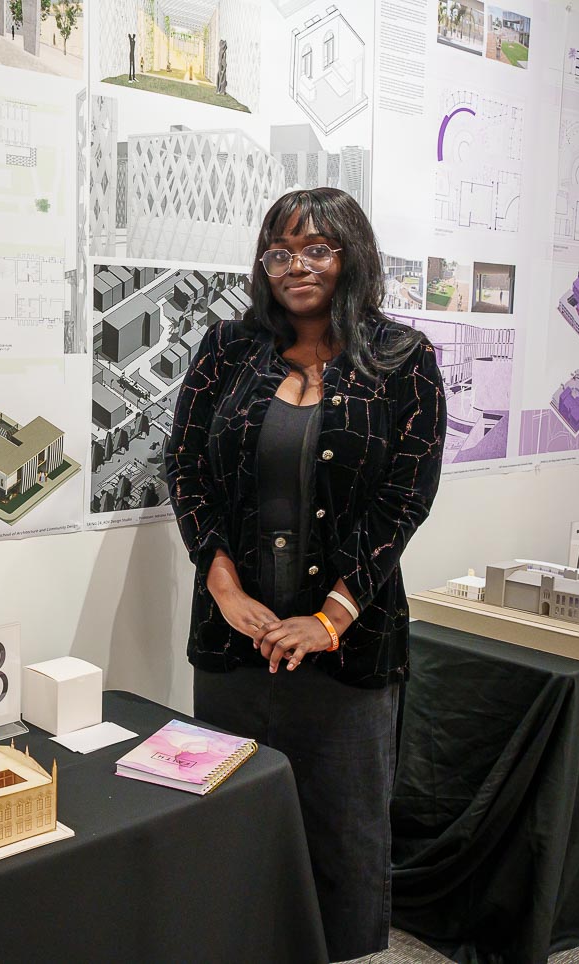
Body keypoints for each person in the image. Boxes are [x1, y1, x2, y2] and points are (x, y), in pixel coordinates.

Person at [163, 187, 446, 962]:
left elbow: (404, 499)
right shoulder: (226, 348)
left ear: (351, 254)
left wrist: (329, 618)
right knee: (230, 815)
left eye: (317, 248)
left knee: (344, 833)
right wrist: (223, 588)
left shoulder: (402, 361)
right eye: (280, 251)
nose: (298, 266)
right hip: (236, 643)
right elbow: (185, 465)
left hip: (349, 648)